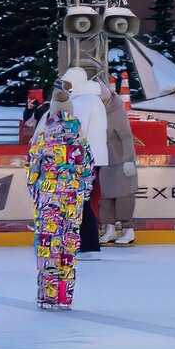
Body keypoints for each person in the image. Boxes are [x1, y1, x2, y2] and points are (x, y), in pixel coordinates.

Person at [27, 87, 94, 310]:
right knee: (69, 245)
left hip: (49, 197)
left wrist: (37, 194)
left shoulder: (44, 138)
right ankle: (66, 296)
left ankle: (48, 295)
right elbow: (87, 171)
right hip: (73, 198)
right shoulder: (80, 140)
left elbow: (32, 172)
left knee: (49, 245)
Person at [62, 67, 109, 260]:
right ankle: (87, 244)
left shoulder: (83, 101)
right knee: (82, 200)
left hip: (83, 158)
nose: (64, 86)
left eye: (67, 82)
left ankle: (89, 245)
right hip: (91, 157)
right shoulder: (92, 99)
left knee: (81, 201)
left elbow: (76, 131)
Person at [97, 80, 139, 246]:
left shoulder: (117, 111)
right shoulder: (98, 111)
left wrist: (128, 160)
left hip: (120, 160)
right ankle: (109, 229)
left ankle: (128, 230)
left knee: (123, 196)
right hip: (104, 160)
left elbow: (126, 136)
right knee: (106, 197)